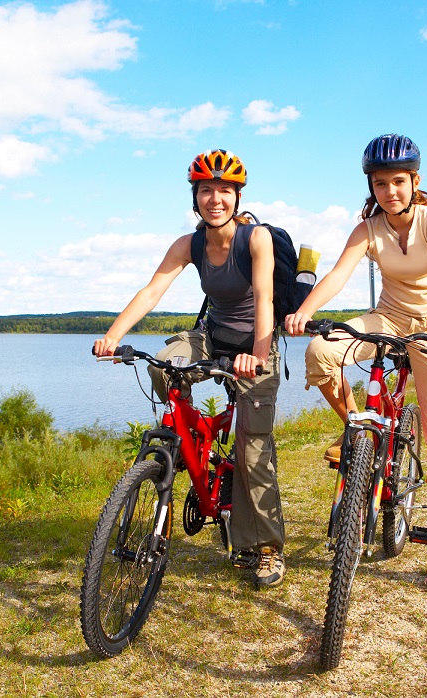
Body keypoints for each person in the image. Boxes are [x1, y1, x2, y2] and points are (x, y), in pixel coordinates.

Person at [284, 134, 427, 600]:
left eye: (398, 181)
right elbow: (337, 273)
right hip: (388, 317)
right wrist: (305, 312)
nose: (389, 191)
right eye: (380, 183)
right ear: (370, 186)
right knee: (322, 352)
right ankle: (354, 423)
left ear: (415, 181)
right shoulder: (368, 229)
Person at [93, 149, 286, 588]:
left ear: (237, 197)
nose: (214, 199)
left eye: (224, 191)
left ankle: (268, 549)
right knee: (162, 364)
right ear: (195, 197)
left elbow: (265, 299)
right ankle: (189, 436)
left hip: (256, 344)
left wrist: (256, 355)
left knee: (252, 451)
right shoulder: (190, 244)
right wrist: (113, 335)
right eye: (206, 190)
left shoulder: (255, 239)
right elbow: (151, 290)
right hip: (212, 337)